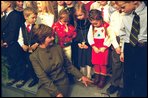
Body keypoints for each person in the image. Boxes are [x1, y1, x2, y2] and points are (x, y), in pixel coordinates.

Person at [29, 24, 93, 97]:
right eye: (50, 37)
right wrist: (56, 93)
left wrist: (81, 76)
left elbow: (69, 66)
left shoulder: (58, 48)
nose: (53, 38)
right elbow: (43, 77)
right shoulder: (34, 56)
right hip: (45, 85)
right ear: (41, 39)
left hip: (62, 82)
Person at [116, 1, 147, 97]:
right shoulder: (125, 15)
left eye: (123, 7)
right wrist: (122, 51)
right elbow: (123, 34)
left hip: (143, 48)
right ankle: (126, 93)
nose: (121, 10)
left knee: (142, 74)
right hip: (129, 46)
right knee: (127, 73)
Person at [1, 1, 26, 86]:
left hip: (14, 43)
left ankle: (22, 78)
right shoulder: (4, 17)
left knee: (18, 61)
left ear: (8, 4)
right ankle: (14, 77)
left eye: (1, 3)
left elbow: (14, 31)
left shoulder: (16, 15)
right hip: (5, 44)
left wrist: (6, 42)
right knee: (11, 61)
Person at [87, 9, 111, 88]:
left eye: (96, 23)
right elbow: (90, 36)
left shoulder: (106, 26)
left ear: (101, 19)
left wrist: (105, 47)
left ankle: (102, 80)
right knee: (96, 63)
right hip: (95, 48)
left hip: (103, 48)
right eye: (93, 23)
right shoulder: (92, 27)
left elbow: (109, 37)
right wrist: (93, 46)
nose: (95, 25)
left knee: (103, 64)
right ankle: (97, 78)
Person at [17, 7, 39, 88]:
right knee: (27, 63)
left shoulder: (36, 27)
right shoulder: (22, 27)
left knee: (34, 64)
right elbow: (20, 38)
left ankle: (36, 78)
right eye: (33, 18)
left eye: (35, 18)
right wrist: (22, 45)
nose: (34, 19)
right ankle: (27, 77)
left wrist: (36, 44)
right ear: (26, 17)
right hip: (25, 50)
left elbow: (40, 37)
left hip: (35, 50)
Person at [106, 2, 124, 95]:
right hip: (115, 40)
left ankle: (122, 85)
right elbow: (111, 30)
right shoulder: (114, 14)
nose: (116, 7)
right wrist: (116, 45)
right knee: (116, 64)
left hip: (125, 40)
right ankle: (115, 83)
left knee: (124, 64)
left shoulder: (128, 14)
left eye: (117, 4)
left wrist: (122, 48)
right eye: (114, 5)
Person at [74, 3, 92, 79]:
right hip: (80, 42)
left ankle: (89, 74)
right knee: (81, 57)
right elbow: (76, 34)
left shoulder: (89, 22)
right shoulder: (77, 22)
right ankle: (83, 73)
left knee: (88, 58)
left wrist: (88, 44)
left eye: (80, 15)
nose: (79, 17)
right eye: (77, 16)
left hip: (88, 43)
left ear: (85, 12)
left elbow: (91, 34)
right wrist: (78, 43)